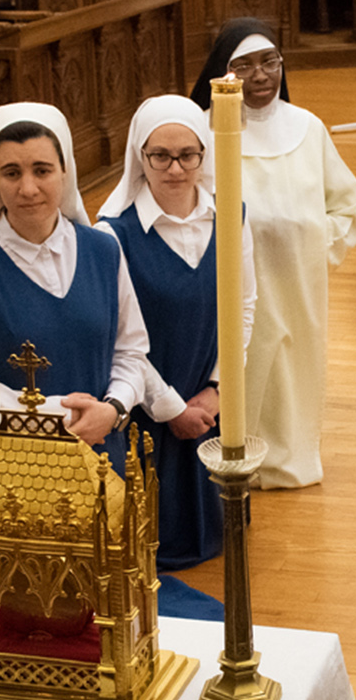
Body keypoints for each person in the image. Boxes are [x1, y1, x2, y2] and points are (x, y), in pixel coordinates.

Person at [189, 20, 356, 489]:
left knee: (292, 371)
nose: (260, 75)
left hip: (296, 282)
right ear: (222, 75)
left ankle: (290, 457)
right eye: (243, 66)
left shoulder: (307, 127)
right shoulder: (203, 133)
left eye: (269, 62)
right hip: (228, 282)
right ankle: (232, 455)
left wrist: (312, 243)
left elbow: (346, 204)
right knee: (239, 364)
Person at [0, 102, 151, 475]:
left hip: (104, 454)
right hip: (17, 467)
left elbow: (131, 350)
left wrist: (113, 408)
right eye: (11, 173)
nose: (28, 188)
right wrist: (54, 415)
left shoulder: (104, 250)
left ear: (65, 171)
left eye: (42, 170)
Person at [96, 95, 256, 571]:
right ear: (138, 158)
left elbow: (243, 306)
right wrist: (169, 408)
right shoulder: (112, 234)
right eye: (159, 156)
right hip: (148, 407)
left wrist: (216, 390)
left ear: (205, 154)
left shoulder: (231, 215)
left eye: (188, 155)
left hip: (207, 401)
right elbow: (117, 339)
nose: (175, 169)